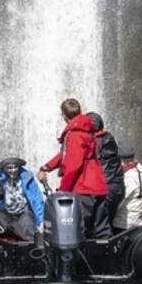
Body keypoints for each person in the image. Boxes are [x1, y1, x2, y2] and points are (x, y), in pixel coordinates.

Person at [37, 97, 109, 238]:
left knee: (79, 232)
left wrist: (63, 191)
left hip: (83, 189)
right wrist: (47, 167)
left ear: (64, 116)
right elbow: (68, 154)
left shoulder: (75, 134)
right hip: (97, 185)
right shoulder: (87, 130)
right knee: (101, 231)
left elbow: (73, 166)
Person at [86, 112, 124, 238]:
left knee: (97, 228)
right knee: (107, 223)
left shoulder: (95, 142)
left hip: (104, 190)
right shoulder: (109, 138)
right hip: (117, 187)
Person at [0, 156, 45, 241]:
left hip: (24, 212)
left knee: (28, 228)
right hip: (6, 214)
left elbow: (37, 199)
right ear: (4, 169)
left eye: (15, 167)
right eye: (9, 168)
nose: (13, 170)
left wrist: (40, 222)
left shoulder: (27, 178)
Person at [114, 143, 142, 231]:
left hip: (122, 224)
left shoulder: (129, 179)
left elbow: (116, 204)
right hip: (137, 222)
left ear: (122, 162)